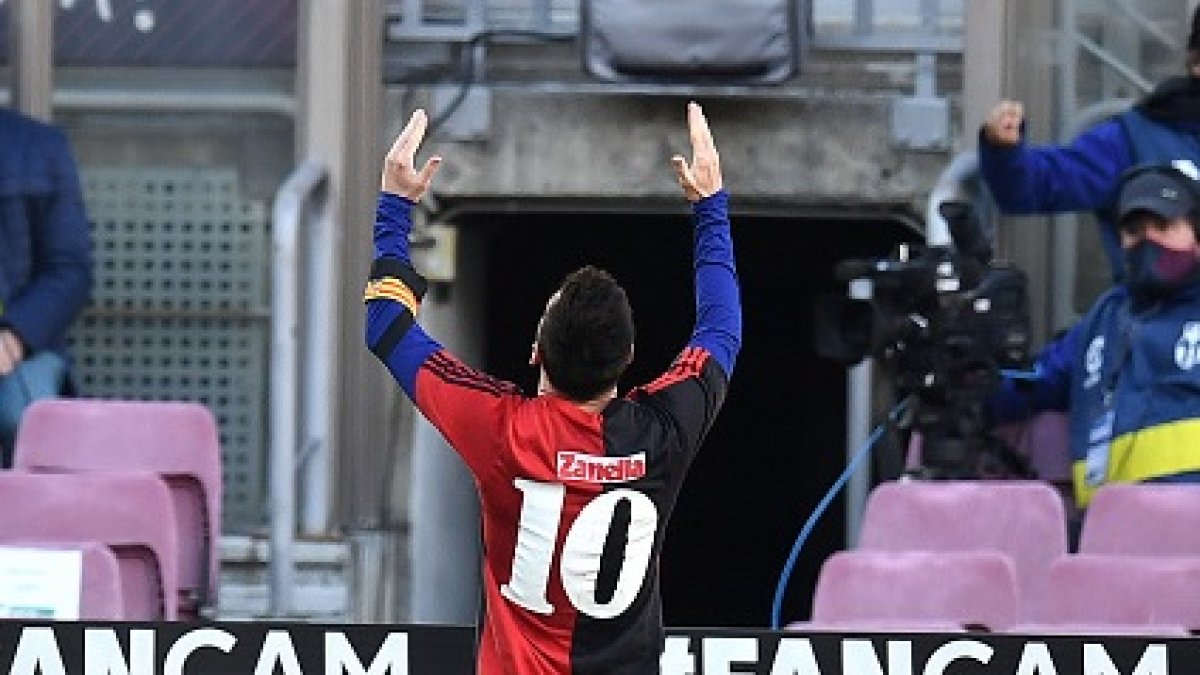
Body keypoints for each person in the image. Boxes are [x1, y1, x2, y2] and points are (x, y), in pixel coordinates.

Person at [363, 102, 740, 674]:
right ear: (631, 359)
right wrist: (709, 207)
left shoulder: (498, 427)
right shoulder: (665, 430)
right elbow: (721, 327)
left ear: (536, 351)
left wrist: (396, 206)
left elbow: (387, 325)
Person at [988, 164, 1200, 509]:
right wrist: (969, 381)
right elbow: (1031, 382)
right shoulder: (1102, 320)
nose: (1148, 240)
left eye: (1164, 226)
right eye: (1134, 230)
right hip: (1108, 538)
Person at [979, 5, 1200, 280]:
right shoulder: (1134, 138)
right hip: (1157, 317)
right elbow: (1032, 186)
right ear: (1195, 61)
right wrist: (1004, 150)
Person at [0, 108, 93, 464]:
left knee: (25, 418)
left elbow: (69, 271)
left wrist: (14, 336)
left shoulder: (38, 148)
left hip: (17, 350)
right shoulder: (39, 146)